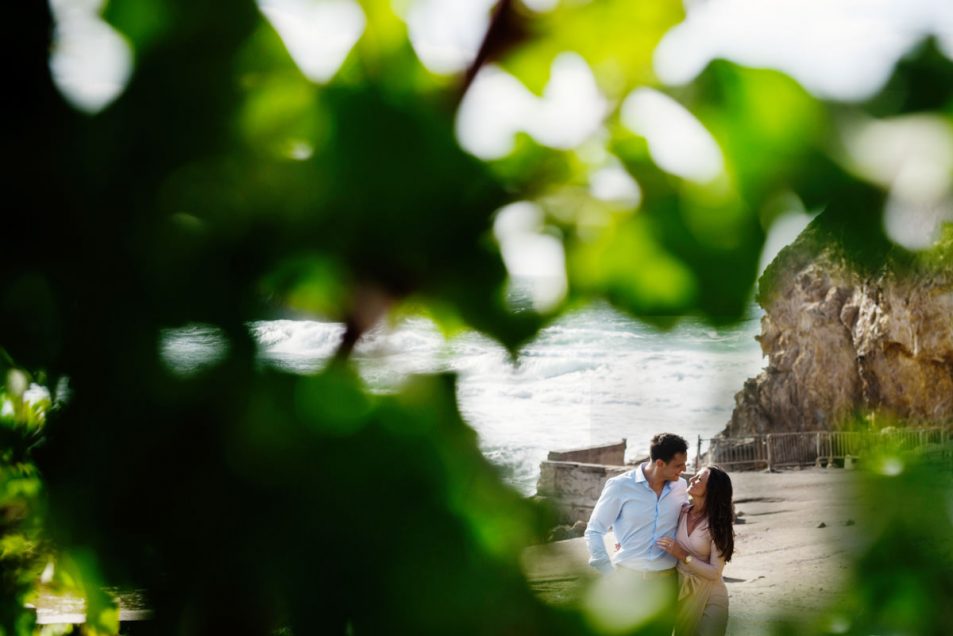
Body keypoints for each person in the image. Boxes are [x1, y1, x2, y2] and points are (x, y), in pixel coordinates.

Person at [584, 433, 689, 633]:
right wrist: (609, 572)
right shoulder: (620, 486)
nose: (684, 470)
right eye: (678, 465)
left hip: (666, 583)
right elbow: (595, 529)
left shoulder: (681, 486)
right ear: (660, 463)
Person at [656, 465, 734, 636]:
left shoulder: (718, 523)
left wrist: (682, 555)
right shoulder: (681, 511)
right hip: (683, 591)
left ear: (712, 489)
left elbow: (715, 572)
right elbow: (654, 523)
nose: (692, 479)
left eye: (699, 478)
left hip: (711, 595)